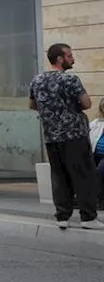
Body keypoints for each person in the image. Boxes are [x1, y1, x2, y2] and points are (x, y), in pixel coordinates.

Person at [28, 43, 103, 230]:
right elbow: (86, 103)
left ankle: (62, 216)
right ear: (60, 59)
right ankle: (88, 218)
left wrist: (51, 112)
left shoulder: (37, 80)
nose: (73, 58)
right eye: (69, 56)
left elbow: (31, 104)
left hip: (51, 137)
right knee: (84, 175)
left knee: (59, 176)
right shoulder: (71, 80)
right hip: (74, 135)